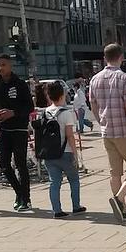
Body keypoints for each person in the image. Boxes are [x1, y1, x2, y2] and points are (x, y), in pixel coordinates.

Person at [90, 43, 126, 223]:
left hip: (107, 132)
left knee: (115, 172)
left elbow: (93, 105)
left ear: (105, 58)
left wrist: (101, 122)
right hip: (125, 131)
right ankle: (119, 199)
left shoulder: (94, 79)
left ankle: (124, 210)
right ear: (121, 57)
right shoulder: (124, 78)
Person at [0, 53, 35, 211]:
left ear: (10, 65)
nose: (0, 68)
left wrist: (13, 112)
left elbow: (29, 106)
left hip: (19, 129)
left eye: (3, 64)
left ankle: (26, 199)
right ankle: (19, 193)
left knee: (21, 165)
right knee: (3, 165)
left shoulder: (20, 84)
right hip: (4, 129)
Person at [41, 80, 86, 218]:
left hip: (49, 154)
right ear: (62, 95)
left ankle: (57, 210)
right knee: (74, 179)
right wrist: (76, 154)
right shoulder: (66, 112)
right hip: (65, 152)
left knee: (54, 182)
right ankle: (76, 206)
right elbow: (69, 135)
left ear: (49, 96)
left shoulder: (45, 113)